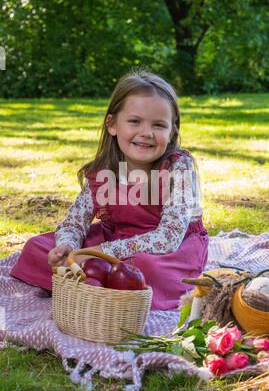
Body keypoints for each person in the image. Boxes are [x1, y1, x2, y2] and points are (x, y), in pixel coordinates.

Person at [10, 69, 209, 310]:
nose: (146, 133)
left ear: (172, 130)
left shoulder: (179, 168)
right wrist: (68, 247)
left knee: (144, 269)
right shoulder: (104, 171)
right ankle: (98, 282)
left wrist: (98, 252)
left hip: (167, 251)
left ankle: (96, 282)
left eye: (158, 125)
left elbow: (168, 238)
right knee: (38, 248)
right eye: (135, 121)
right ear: (112, 124)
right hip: (116, 238)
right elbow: (74, 223)